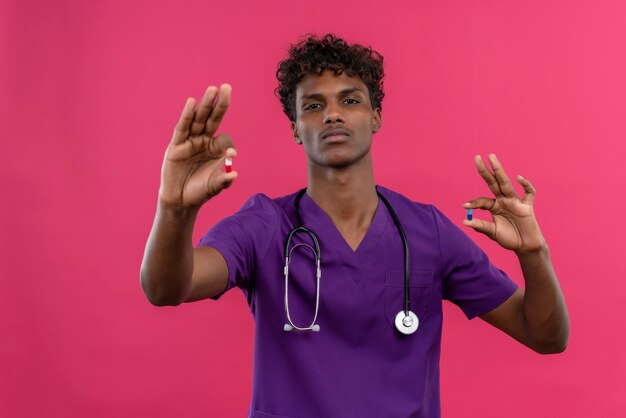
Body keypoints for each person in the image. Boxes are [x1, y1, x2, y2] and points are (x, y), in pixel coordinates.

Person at [140, 34, 569, 418]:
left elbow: (546, 335)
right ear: (295, 128)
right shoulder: (264, 227)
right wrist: (174, 209)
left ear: (375, 116)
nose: (332, 115)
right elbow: (166, 288)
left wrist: (534, 254)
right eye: (313, 105)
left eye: (350, 100)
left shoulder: (427, 233)